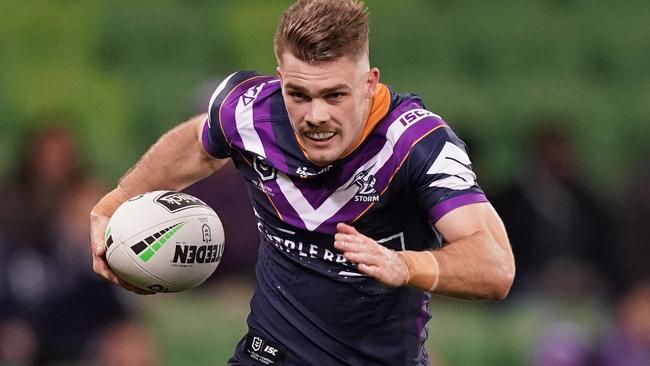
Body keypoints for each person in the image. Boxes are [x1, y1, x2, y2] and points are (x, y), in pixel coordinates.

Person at [91, 1, 515, 365]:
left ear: (369, 84)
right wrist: (113, 203)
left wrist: (407, 265)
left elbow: (496, 267)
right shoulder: (251, 111)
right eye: (299, 95)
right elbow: (197, 143)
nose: (315, 116)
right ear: (280, 78)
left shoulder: (417, 144)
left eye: (334, 95)